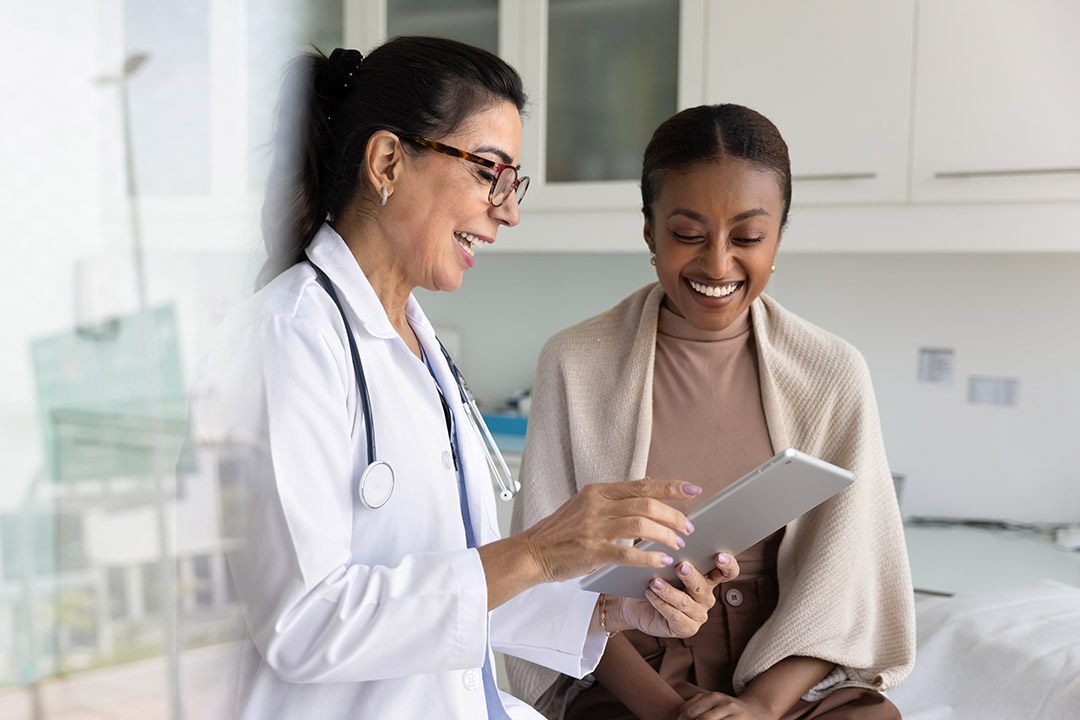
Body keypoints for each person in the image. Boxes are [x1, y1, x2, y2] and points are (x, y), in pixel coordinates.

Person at [186, 38, 740, 720]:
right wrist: (537, 551)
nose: (507, 211)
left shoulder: (418, 344)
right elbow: (305, 622)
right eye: (488, 171)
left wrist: (614, 610)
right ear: (387, 161)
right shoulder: (282, 340)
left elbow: (456, 586)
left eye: (513, 183)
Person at [506, 104, 916, 720]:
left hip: (784, 667)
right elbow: (549, 586)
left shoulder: (833, 373)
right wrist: (670, 711)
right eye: (688, 234)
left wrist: (756, 707)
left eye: (748, 237)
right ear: (649, 231)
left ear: (778, 235)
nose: (718, 265)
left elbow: (848, 589)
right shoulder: (575, 363)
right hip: (630, 669)